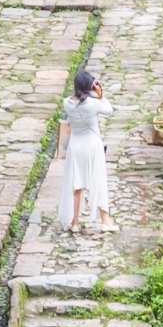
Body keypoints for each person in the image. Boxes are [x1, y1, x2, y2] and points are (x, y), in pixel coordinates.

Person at [56, 67, 113, 233]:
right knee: (99, 181)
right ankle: (105, 221)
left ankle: (74, 222)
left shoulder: (67, 103)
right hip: (92, 146)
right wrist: (100, 93)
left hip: (75, 147)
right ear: (89, 86)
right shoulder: (93, 104)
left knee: (76, 185)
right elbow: (108, 110)